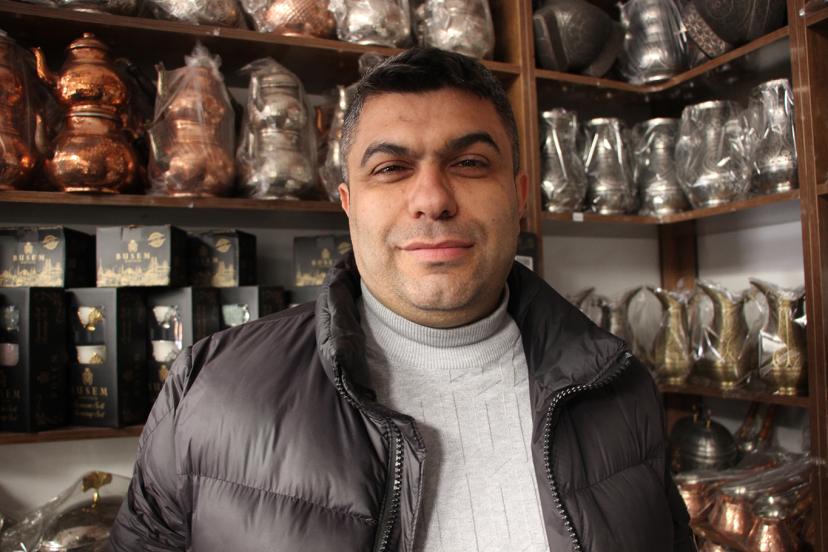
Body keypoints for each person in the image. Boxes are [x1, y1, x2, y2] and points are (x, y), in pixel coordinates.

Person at [108, 47, 695, 552]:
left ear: (519, 197)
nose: (432, 199)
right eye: (391, 168)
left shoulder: (620, 389)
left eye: (470, 163)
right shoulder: (209, 390)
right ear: (347, 204)